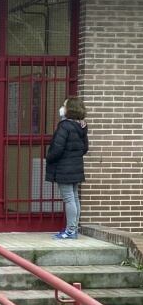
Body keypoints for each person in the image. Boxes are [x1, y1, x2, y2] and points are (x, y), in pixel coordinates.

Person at [46, 97, 89, 240]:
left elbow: (57, 149)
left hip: (64, 168)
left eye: (64, 105)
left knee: (69, 198)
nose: (62, 108)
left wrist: (49, 157)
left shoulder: (64, 126)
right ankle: (74, 229)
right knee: (75, 197)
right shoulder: (81, 126)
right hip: (76, 167)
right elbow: (84, 148)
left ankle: (70, 231)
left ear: (70, 109)